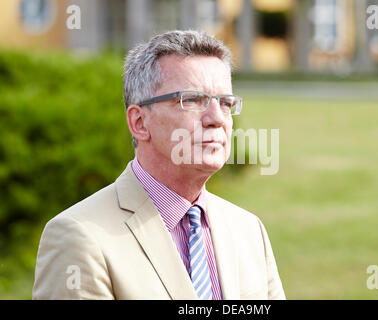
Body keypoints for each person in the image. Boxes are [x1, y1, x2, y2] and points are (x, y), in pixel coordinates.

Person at [32, 30, 285, 300]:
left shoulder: (248, 230)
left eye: (225, 103)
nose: (216, 118)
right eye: (192, 99)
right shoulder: (80, 236)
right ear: (139, 122)